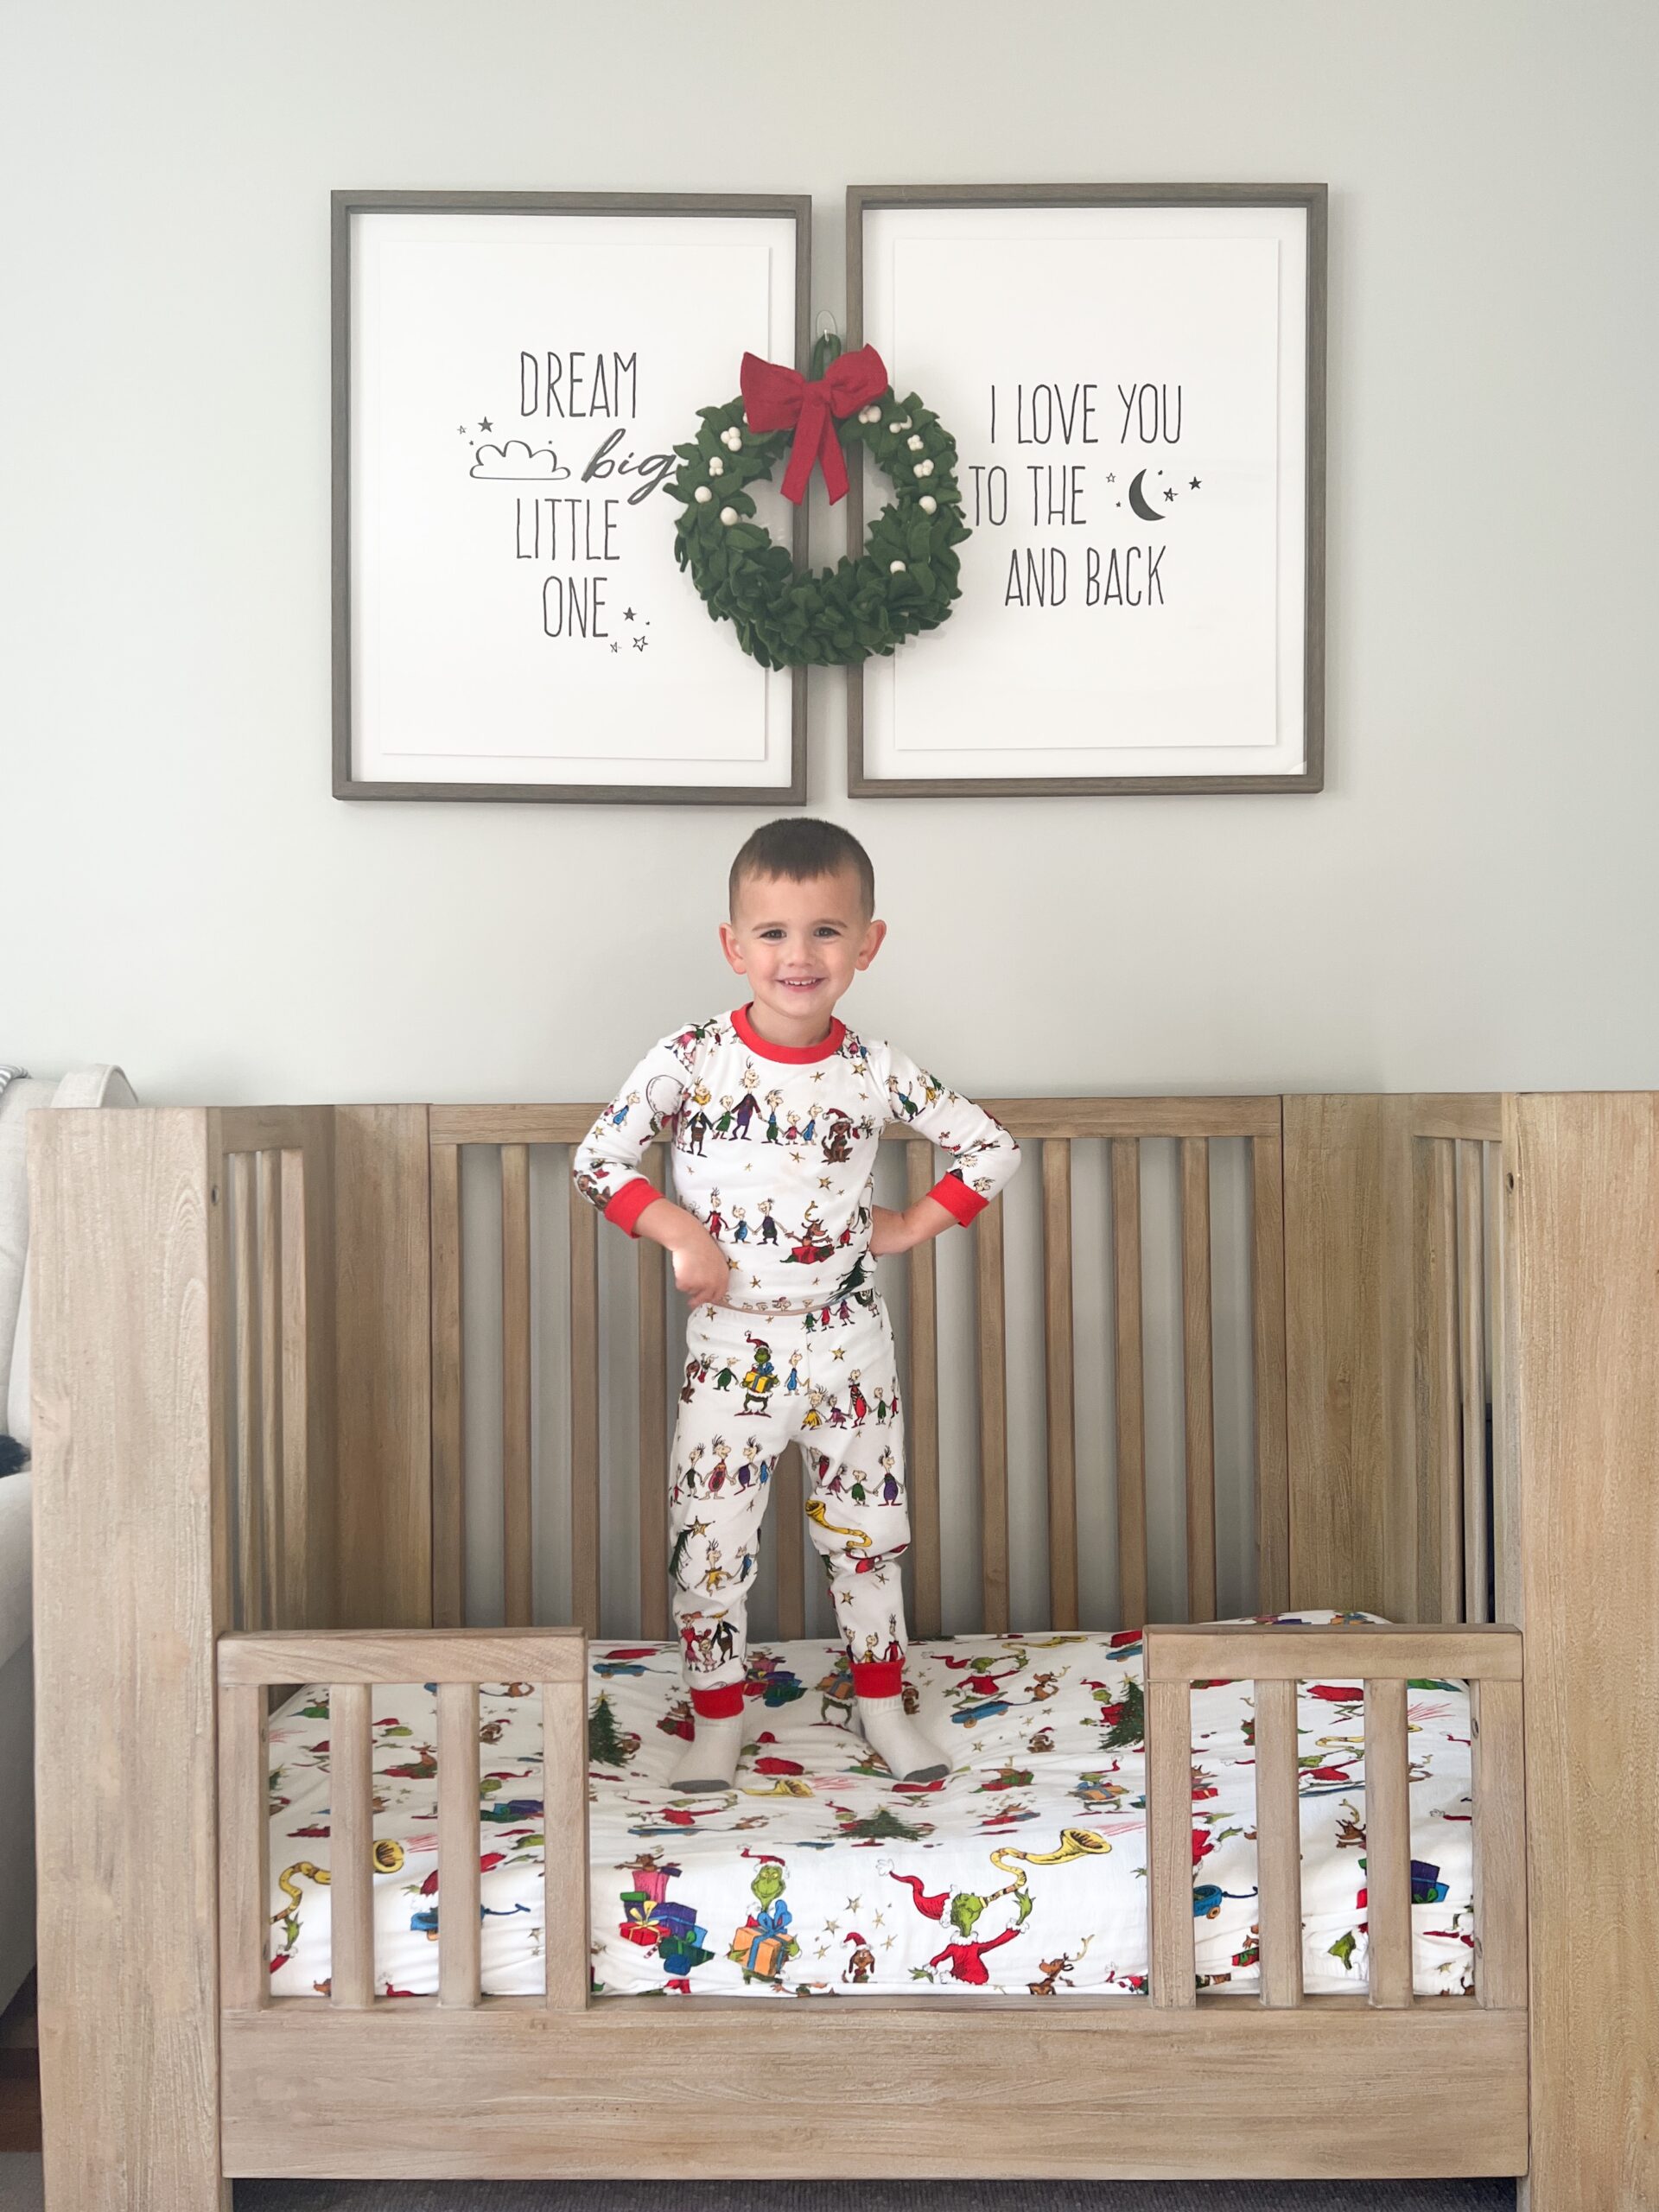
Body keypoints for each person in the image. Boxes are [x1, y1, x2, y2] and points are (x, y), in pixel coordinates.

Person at [572, 818, 1020, 1791]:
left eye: (825, 931)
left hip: (848, 1343)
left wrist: (905, 1228)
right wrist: (682, 1233)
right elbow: (598, 1161)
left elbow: (991, 1147)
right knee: (711, 1541)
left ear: (867, 944)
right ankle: (718, 1722)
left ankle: (881, 1707)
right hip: (731, 1349)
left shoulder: (873, 1068)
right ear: (734, 946)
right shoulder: (690, 1060)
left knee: (869, 1540)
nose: (798, 955)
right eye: (772, 933)